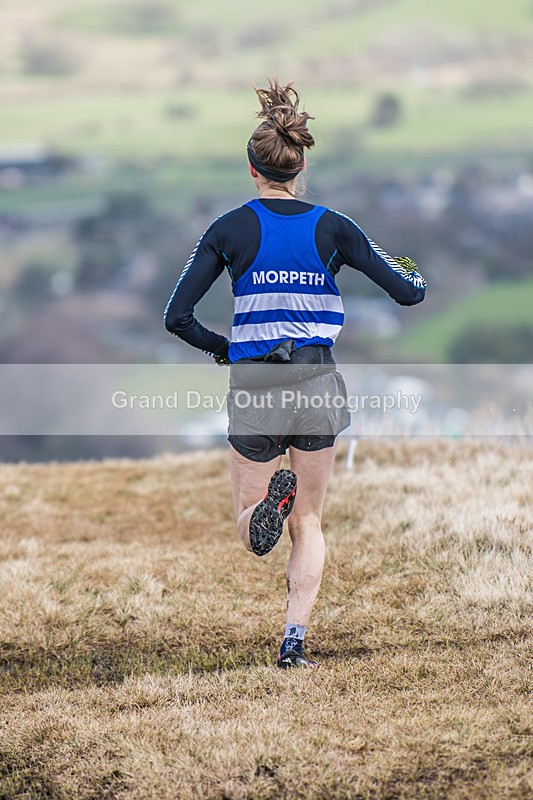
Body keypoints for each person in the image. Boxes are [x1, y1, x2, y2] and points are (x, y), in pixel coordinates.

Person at [164, 78, 427, 668]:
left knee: (248, 522)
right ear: (300, 163)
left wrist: (226, 349)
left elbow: (176, 316)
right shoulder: (334, 226)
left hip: (255, 383)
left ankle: (263, 515)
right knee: (310, 518)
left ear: (252, 170)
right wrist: (415, 272)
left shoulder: (229, 228)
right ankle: (293, 644)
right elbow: (407, 292)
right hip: (316, 382)